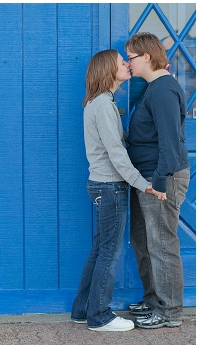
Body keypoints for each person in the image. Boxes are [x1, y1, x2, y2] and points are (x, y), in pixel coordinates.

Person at [70, 49, 161, 332]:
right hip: (110, 186)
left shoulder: (100, 102)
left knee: (100, 250)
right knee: (108, 252)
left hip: (102, 185)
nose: (127, 65)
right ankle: (100, 317)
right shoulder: (102, 105)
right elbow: (116, 154)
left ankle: (83, 310)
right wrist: (143, 184)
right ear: (109, 70)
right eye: (123, 62)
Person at [123, 32, 190, 329]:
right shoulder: (154, 88)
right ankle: (153, 300)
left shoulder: (163, 90)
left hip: (160, 177)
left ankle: (170, 311)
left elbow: (171, 142)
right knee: (144, 241)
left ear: (147, 57)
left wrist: (160, 182)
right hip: (145, 178)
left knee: (162, 244)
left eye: (131, 57)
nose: (128, 64)